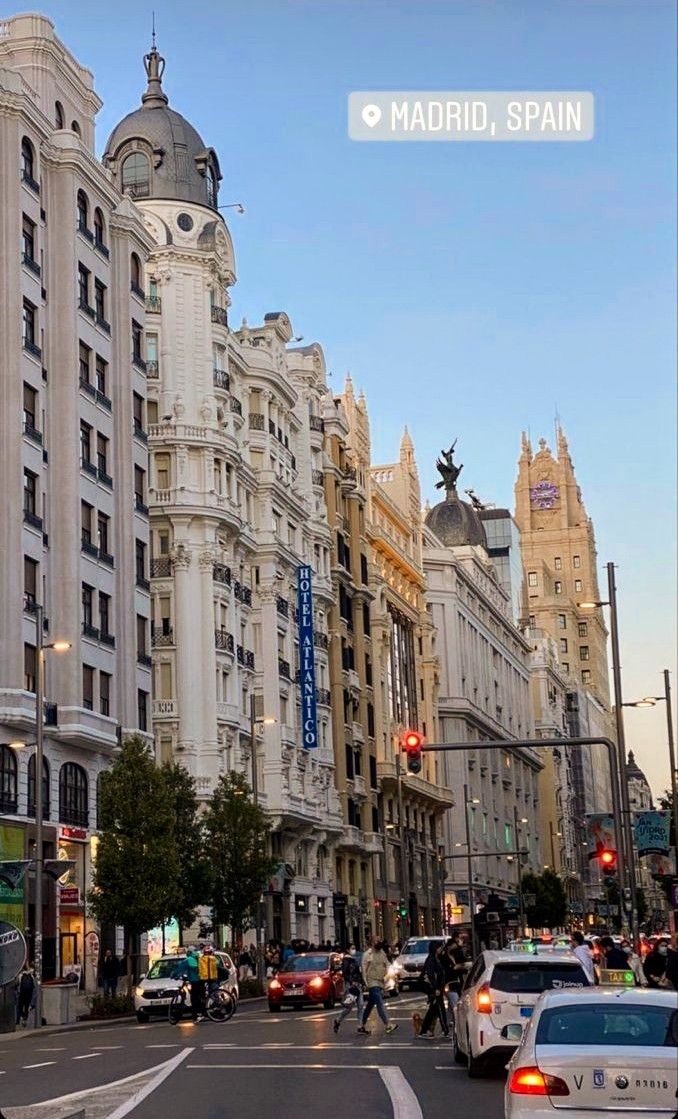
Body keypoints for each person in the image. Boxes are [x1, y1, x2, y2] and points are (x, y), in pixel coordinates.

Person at [359, 940, 397, 1035]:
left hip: (380, 981)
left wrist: (388, 974)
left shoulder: (382, 952)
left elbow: (387, 964)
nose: (378, 942)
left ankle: (361, 1025)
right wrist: (366, 983)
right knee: (379, 1003)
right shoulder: (367, 955)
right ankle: (388, 1024)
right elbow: (364, 969)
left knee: (370, 1005)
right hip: (372, 982)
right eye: (376, 940)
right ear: (372, 943)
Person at [418, 942, 448, 1039]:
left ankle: (423, 1030)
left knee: (433, 1010)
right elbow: (431, 975)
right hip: (435, 989)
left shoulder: (435, 958)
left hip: (437, 988)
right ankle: (445, 1030)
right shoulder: (431, 960)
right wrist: (436, 988)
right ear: (435, 949)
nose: (440, 949)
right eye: (439, 948)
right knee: (440, 1009)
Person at [333, 950, 364, 1034]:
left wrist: (362, 982)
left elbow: (359, 972)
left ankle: (360, 1026)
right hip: (351, 986)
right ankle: (338, 1020)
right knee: (349, 1007)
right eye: (352, 948)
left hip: (358, 985)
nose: (353, 950)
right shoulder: (346, 960)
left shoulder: (355, 959)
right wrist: (351, 982)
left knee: (360, 1005)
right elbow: (345, 974)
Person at [442, 936, 467, 1013]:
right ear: (448, 946)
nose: (455, 947)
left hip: (458, 983)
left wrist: (461, 966)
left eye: (456, 946)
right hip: (450, 983)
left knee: (452, 1004)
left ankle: (451, 1022)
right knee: (455, 1004)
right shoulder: (444, 957)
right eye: (453, 946)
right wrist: (454, 968)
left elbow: (464, 963)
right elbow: (446, 969)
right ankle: (454, 1021)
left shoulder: (457, 954)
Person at [184, 946, 202, 1021]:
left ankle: (196, 1014)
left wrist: (174, 975)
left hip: (195, 981)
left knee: (194, 998)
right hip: (201, 979)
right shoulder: (198, 957)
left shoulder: (190, 959)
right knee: (199, 996)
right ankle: (202, 1012)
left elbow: (182, 968)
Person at [16, 963, 35, 1028]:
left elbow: (17, 983)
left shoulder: (20, 975)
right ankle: (25, 1019)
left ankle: (20, 1017)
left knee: (19, 1006)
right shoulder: (31, 975)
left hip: (21, 993)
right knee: (27, 1006)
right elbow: (34, 985)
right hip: (29, 993)